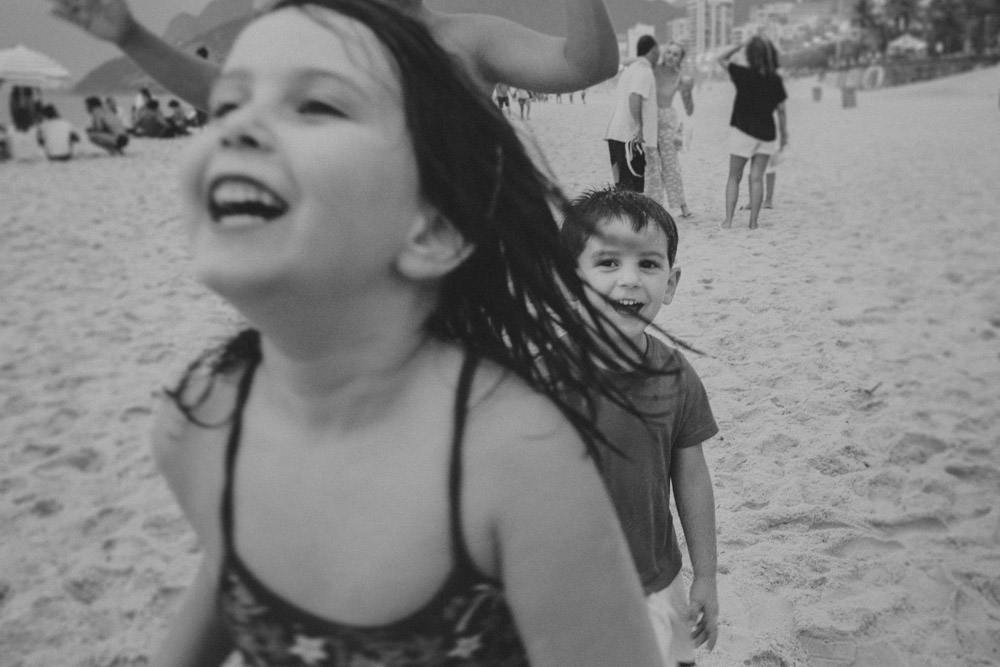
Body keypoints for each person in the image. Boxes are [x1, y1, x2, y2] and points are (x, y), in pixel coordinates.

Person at [139, 1, 664, 664]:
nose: (239, 129)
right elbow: (239, 572)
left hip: (470, 319)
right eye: (234, 109)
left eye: (317, 106)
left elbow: (583, 62)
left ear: (435, 222)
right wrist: (131, 36)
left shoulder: (515, 456)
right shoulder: (200, 422)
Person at [560, 186, 720, 667]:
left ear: (670, 284)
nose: (629, 281)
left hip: (657, 578)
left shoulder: (676, 376)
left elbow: (691, 476)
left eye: (648, 265)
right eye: (607, 263)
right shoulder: (540, 377)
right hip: (563, 588)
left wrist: (706, 576)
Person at [49, 0, 619, 108]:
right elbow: (231, 94)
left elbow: (584, 65)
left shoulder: (468, 36)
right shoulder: (315, 34)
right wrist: (131, 36)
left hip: (467, 279)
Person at [718, 36, 787, 230]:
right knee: (757, 178)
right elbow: (781, 111)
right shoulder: (775, 79)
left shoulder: (742, 74)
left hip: (744, 131)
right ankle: (753, 223)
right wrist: (785, 136)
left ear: (749, 54)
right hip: (767, 134)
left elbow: (720, 59)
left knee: (734, 176)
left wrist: (738, 45)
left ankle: (729, 221)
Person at [604, 35, 660, 192]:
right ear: (654, 51)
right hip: (629, 136)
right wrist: (638, 127)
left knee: (622, 188)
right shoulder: (645, 70)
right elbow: (634, 96)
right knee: (633, 190)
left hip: (615, 133)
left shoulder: (631, 69)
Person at [648, 42, 694, 219]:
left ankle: (682, 205)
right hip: (649, 120)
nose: (670, 56)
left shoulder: (680, 77)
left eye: (675, 54)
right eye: (668, 52)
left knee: (671, 165)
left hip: (667, 121)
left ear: (680, 59)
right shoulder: (651, 69)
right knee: (651, 165)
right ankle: (654, 206)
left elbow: (689, 108)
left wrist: (688, 90)